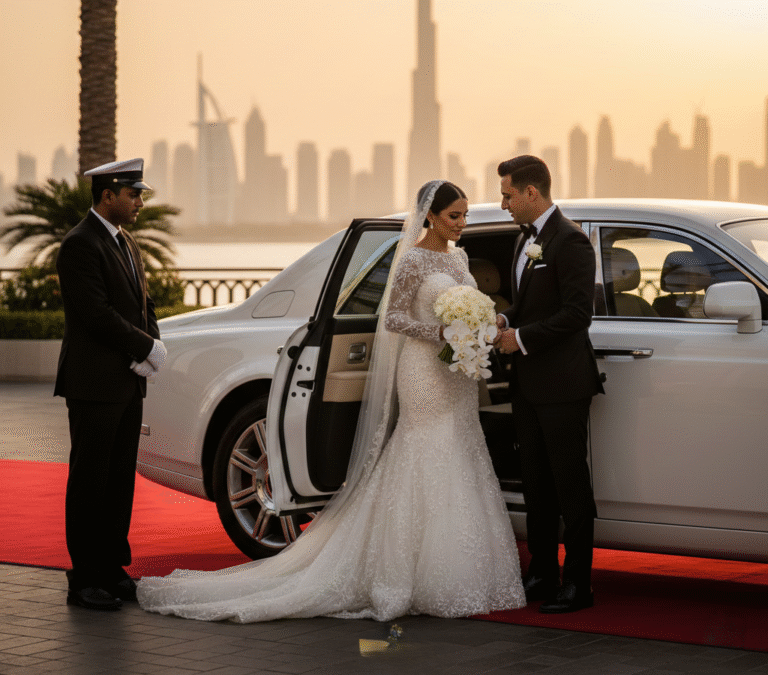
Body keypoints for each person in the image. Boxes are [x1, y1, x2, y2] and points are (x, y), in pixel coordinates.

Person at [137, 180, 526, 622]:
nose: (461, 224)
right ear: (431, 216)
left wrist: (484, 322)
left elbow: (470, 302)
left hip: (453, 375)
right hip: (422, 372)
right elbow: (395, 318)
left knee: (461, 451)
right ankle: (407, 572)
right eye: (454, 216)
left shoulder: (459, 258)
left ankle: (460, 567)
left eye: (465, 215)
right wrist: (441, 332)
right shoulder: (412, 260)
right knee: (425, 451)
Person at [55, 158, 166, 610]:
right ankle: (83, 578)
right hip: (94, 383)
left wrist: (151, 342)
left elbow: (143, 302)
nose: (140, 201)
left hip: (125, 381)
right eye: (134, 193)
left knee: (119, 479)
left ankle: (111, 567)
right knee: (90, 480)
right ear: (108, 195)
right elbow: (95, 314)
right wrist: (143, 346)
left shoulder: (125, 241)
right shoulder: (80, 244)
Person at [495, 155, 604, 614]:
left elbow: (578, 315)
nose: (504, 204)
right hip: (527, 386)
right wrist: (504, 319)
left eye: (507, 195)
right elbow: (530, 305)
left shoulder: (572, 242)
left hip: (562, 386)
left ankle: (578, 582)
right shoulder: (525, 243)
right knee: (536, 485)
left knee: (570, 486)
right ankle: (542, 572)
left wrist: (517, 339)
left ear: (531, 193)